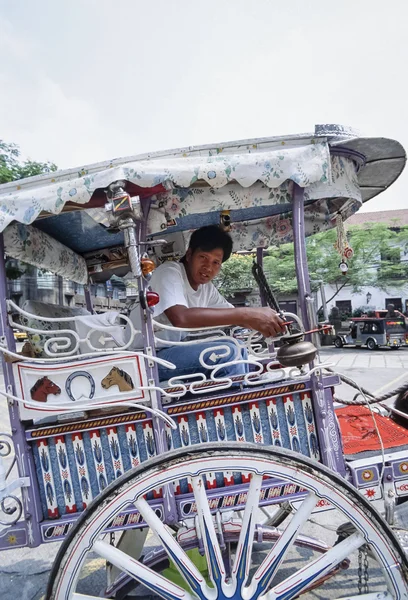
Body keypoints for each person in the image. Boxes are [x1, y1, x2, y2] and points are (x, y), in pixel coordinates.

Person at [131, 225, 285, 382]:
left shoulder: (206, 289)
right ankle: (237, 399)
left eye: (215, 262)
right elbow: (181, 318)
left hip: (169, 352)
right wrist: (248, 314)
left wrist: (272, 322)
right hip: (145, 358)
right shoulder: (169, 271)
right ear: (189, 254)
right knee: (227, 352)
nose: (208, 267)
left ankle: (241, 390)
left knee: (236, 345)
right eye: (203, 257)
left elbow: (234, 317)